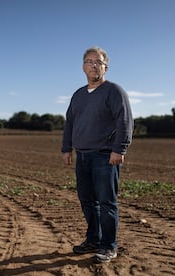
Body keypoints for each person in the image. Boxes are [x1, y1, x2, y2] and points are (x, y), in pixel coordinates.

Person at [61, 46, 133, 263]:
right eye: (89, 61)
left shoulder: (114, 91)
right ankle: (93, 239)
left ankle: (109, 246)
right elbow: (70, 122)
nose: (93, 65)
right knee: (87, 200)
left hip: (104, 156)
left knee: (106, 202)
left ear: (105, 67)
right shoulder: (78, 95)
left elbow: (125, 121)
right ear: (83, 67)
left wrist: (119, 149)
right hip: (82, 156)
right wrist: (66, 148)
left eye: (98, 62)